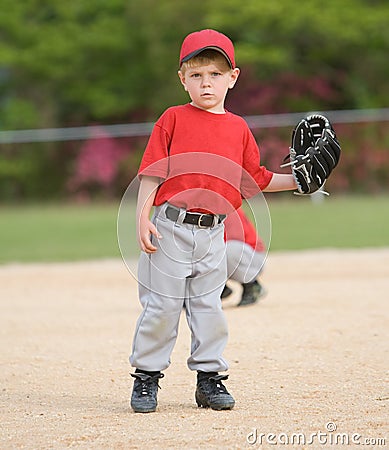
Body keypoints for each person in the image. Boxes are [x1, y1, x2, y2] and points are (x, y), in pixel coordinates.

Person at [130, 28, 298, 414]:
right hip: (171, 227)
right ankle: (146, 378)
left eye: (215, 74)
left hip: (214, 234)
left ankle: (209, 380)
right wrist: (143, 216)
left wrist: (301, 182)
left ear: (233, 77)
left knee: (209, 308)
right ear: (182, 79)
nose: (206, 83)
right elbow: (153, 172)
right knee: (163, 307)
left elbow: (256, 178)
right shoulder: (172, 118)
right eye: (197, 75)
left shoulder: (237, 127)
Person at [222, 206, 267, 307]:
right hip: (236, 253)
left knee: (230, 250)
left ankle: (252, 285)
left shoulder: (226, 206)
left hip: (252, 257)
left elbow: (235, 238)